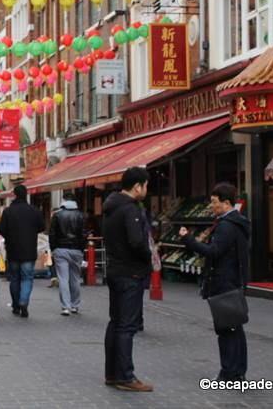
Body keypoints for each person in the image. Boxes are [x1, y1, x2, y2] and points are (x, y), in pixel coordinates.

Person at [179, 183, 250, 382]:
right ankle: (237, 371)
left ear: (226, 203)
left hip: (224, 282)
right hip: (233, 281)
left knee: (227, 329)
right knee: (234, 327)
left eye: (214, 202)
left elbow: (214, 252)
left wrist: (189, 240)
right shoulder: (236, 223)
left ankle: (229, 372)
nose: (212, 206)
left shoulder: (227, 226)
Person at [102, 167, 153, 392]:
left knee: (116, 322)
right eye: (146, 185)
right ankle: (125, 376)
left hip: (115, 269)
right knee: (126, 326)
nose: (146, 190)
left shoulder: (111, 208)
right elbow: (136, 241)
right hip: (130, 272)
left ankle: (112, 373)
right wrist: (148, 254)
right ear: (137, 186)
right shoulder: (130, 209)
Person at [0, 185, 44, 318]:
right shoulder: (34, 210)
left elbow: (2, 229)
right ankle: (23, 301)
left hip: (13, 250)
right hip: (29, 250)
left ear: (15, 195)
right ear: (26, 194)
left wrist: (10, 236)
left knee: (14, 278)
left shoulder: (8, 211)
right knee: (27, 278)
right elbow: (41, 227)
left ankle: (16, 305)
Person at [50, 193, 87, 316]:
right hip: (76, 249)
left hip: (60, 249)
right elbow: (83, 234)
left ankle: (65, 306)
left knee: (63, 278)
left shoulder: (57, 215)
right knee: (75, 278)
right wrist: (81, 249)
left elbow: (52, 234)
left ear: (63, 200)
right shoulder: (81, 215)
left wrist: (53, 248)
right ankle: (75, 305)